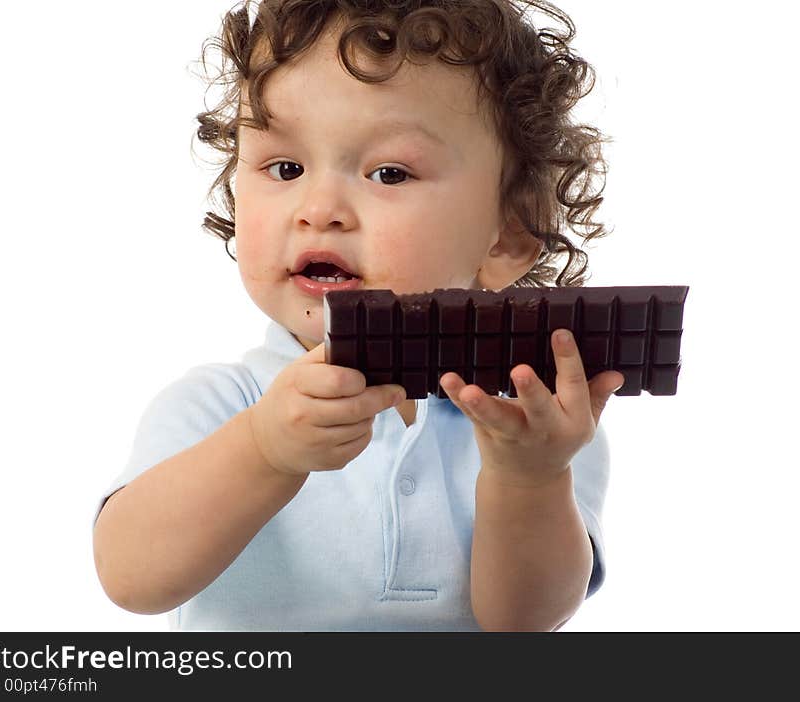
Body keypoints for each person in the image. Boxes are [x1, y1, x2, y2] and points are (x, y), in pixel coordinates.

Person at [92, 0, 623, 631]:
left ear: (507, 234)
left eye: (389, 173)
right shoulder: (222, 404)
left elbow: (523, 622)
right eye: (284, 168)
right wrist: (265, 449)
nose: (320, 208)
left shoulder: (537, 418)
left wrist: (529, 477)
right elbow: (130, 578)